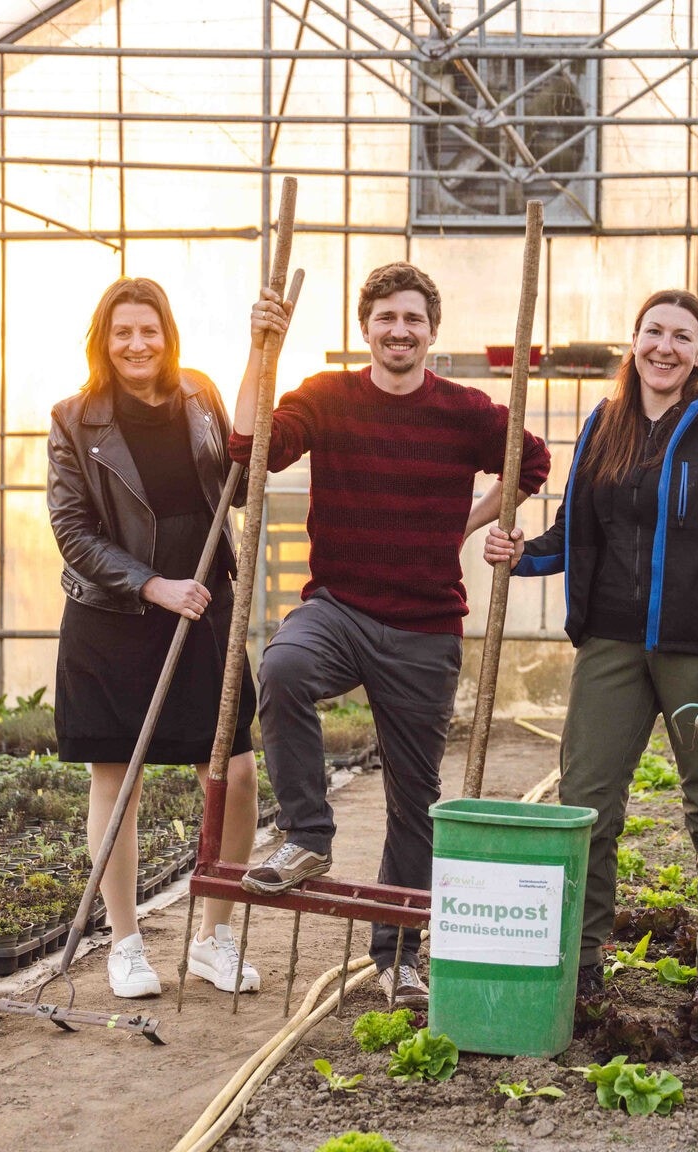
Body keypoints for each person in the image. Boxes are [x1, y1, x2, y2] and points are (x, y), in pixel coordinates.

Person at [231, 262, 550, 1007]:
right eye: (385, 318)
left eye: (413, 319)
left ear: (431, 332)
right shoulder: (327, 397)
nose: (399, 331)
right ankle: (308, 835)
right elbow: (251, 449)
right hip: (339, 608)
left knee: (415, 798)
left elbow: (530, 460)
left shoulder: (465, 411)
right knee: (281, 667)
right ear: (364, 328)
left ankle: (398, 956)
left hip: (425, 626)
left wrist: (464, 524)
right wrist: (259, 349)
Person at [483, 289, 698, 1005]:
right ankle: (580, 962)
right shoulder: (603, 424)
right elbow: (579, 530)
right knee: (586, 804)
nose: (665, 347)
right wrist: (520, 552)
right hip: (610, 644)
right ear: (632, 341)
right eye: (654, 332)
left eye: (682, 336)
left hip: (695, 652)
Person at [47, 277, 264, 999]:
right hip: (117, 619)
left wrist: (262, 351)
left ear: (168, 336)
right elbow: (72, 530)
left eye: (150, 331)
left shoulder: (200, 396)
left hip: (205, 607)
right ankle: (127, 944)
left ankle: (215, 938)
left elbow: (239, 465)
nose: (137, 345)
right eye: (122, 333)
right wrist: (151, 584)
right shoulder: (74, 419)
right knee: (118, 779)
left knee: (234, 774)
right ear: (103, 343)